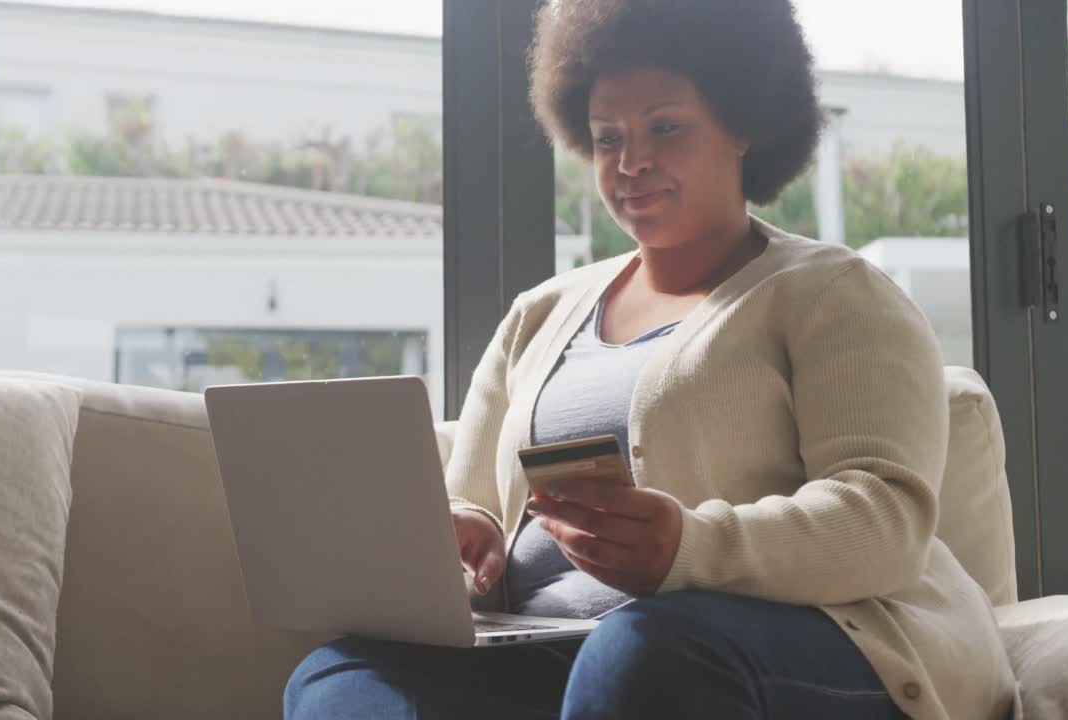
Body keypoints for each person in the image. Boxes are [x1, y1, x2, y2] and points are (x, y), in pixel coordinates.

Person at [285, 1, 1018, 718]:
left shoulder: (834, 293)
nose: (632, 162)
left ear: (742, 125)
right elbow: (469, 499)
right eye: (608, 138)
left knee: (642, 651)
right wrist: (463, 540)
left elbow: (884, 519)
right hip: (556, 654)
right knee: (339, 672)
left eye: (665, 127)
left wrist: (690, 547)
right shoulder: (536, 317)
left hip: (789, 647)